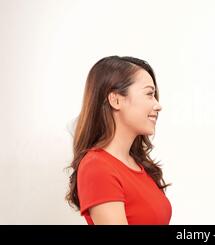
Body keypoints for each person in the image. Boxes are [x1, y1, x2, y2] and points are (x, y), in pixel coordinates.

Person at [66, 56, 171, 225]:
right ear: (115, 100)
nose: (158, 105)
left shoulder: (138, 165)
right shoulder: (98, 167)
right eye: (149, 94)